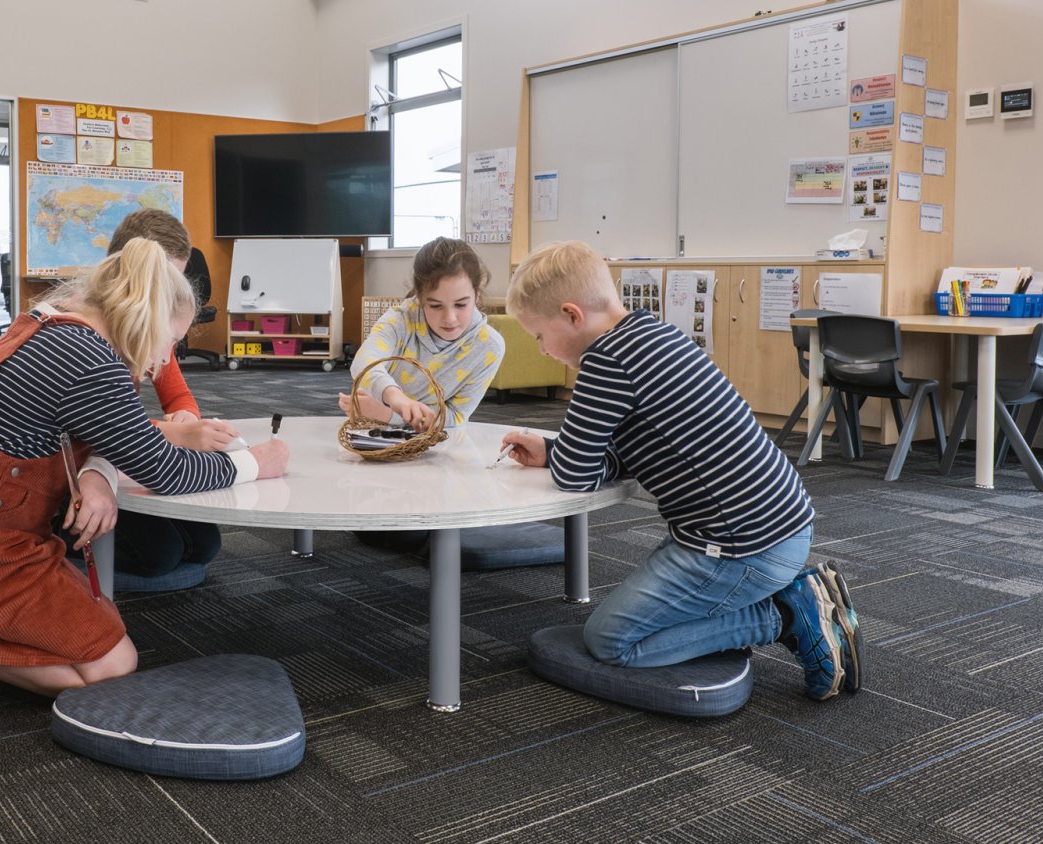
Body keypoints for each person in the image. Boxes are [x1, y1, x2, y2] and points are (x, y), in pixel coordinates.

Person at [0, 238, 290, 709]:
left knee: (103, 625)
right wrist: (253, 464)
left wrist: (99, 471)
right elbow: (165, 470)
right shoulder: (90, 360)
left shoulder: (53, 326)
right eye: (170, 341)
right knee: (110, 667)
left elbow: (103, 434)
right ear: (146, 319)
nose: (165, 360)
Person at [500, 241, 861, 700]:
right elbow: (640, 450)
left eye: (538, 335)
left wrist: (562, 454)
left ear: (572, 315)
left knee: (610, 641)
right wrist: (555, 451)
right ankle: (786, 596)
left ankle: (788, 615)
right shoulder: (652, 333)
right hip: (780, 527)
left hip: (740, 549)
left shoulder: (605, 361)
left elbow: (576, 476)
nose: (543, 350)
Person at [339, 237, 505, 551]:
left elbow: (456, 419)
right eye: (435, 305)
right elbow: (366, 359)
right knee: (372, 524)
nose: (450, 318)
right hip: (376, 444)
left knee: (412, 530)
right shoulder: (402, 318)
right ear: (418, 297)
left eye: (461, 304)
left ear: (477, 295)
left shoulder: (489, 345)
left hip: (435, 452)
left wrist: (388, 413)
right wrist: (396, 397)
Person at [97, 209, 232, 582]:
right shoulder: (92, 341)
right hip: (66, 474)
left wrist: (184, 418)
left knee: (203, 543)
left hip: (107, 458)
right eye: (164, 279)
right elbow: (102, 431)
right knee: (162, 553)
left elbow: (178, 396)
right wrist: (172, 434)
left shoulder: (151, 327)